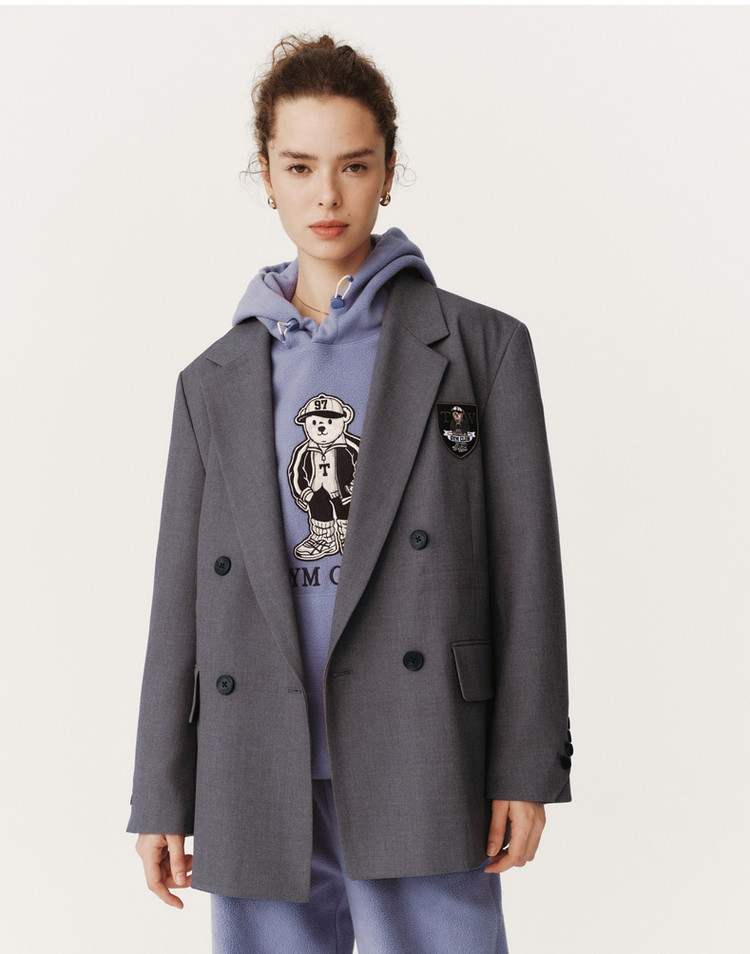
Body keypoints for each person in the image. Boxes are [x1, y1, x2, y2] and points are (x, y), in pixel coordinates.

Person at [128, 34, 572, 954]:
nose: (326, 196)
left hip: (425, 745)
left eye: (353, 165)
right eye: (299, 167)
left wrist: (526, 767)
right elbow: (180, 598)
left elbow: (528, 572)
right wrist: (160, 791)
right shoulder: (212, 379)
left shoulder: (481, 348)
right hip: (255, 754)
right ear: (266, 175)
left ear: (389, 172)